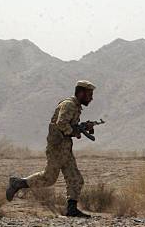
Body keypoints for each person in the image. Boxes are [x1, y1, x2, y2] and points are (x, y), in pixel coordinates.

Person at [6, 80, 96, 218]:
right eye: (89, 94)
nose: (91, 98)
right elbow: (61, 123)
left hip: (65, 148)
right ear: (81, 93)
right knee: (49, 178)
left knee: (76, 178)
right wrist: (73, 132)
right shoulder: (69, 105)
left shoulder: (75, 106)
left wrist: (82, 127)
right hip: (57, 148)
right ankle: (18, 183)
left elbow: (69, 125)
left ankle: (71, 209)